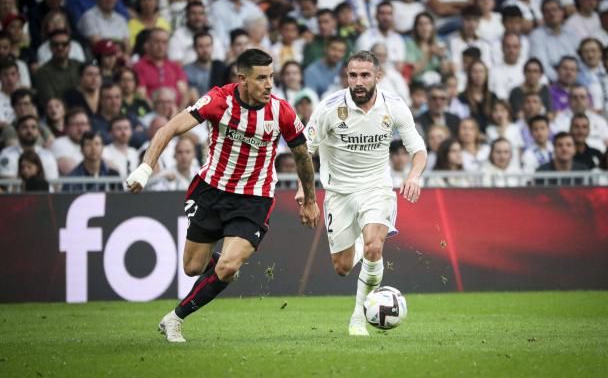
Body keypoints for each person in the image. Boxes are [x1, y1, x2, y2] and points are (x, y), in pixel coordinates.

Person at [126, 49, 320, 343]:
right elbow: (171, 127)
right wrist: (145, 167)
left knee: (228, 265)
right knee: (192, 267)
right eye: (261, 78)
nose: (269, 85)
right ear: (242, 79)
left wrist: (310, 199)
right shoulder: (220, 101)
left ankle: (175, 318)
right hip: (212, 191)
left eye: (271, 77)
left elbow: (303, 155)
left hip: (254, 198)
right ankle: (222, 269)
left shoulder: (282, 111)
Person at [297, 50, 426, 336]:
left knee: (374, 247)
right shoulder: (329, 108)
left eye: (365, 75)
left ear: (377, 77)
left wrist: (414, 176)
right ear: (347, 76)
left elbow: (418, 148)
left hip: (376, 188)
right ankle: (361, 239)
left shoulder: (393, 106)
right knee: (342, 267)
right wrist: (303, 191)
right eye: (353, 75)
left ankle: (358, 317)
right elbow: (305, 151)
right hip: (339, 192)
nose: (358, 81)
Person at [0, 115, 58, 180]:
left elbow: (54, 184)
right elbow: (7, 184)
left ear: (38, 132)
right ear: (17, 132)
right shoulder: (6, 154)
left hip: (43, 190)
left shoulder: (48, 155)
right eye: (25, 127)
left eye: (33, 127)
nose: (29, 131)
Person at [49, 108, 90, 175]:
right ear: (66, 128)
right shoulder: (58, 144)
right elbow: (74, 174)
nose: (81, 129)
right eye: (76, 124)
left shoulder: (93, 144)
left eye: (83, 124)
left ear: (89, 127)